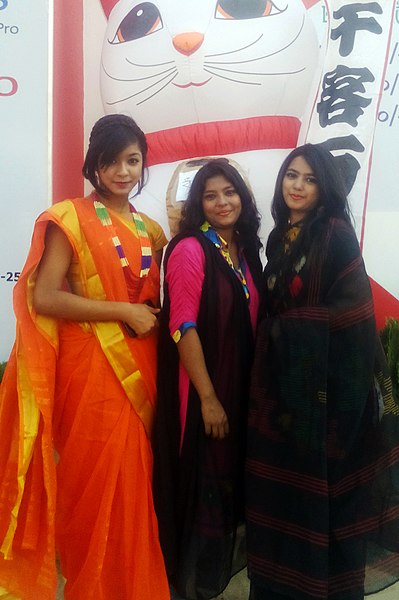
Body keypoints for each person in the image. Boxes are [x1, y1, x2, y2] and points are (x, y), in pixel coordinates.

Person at [0, 114, 170, 600]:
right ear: (93, 164)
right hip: (90, 367)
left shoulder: (151, 229)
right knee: (92, 487)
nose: (122, 170)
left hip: (142, 363)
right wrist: (123, 311)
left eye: (132, 160)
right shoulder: (67, 218)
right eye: (111, 160)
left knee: (133, 488)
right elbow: (45, 298)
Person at [246, 143, 399, 600]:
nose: (298, 186)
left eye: (311, 179)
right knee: (283, 499)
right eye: (292, 175)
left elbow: (351, 316)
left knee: (325, 503)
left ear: (325, 188)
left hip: (327, 400)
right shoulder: (279, 238)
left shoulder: (335, 234)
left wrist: (280, 331)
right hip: (284, 397)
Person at [153, 159, 263, 600]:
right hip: (202, 394)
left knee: (226, 487)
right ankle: (188, 584)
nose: (222, 202)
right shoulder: (189, 249)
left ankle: (209, 579)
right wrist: (209, 398)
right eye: (211, 194)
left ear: (243, 196)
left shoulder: (245, 250)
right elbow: (183, 326)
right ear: (198, 202)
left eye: (230, 192)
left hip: (238, 392)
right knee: (202, 488)